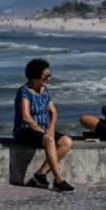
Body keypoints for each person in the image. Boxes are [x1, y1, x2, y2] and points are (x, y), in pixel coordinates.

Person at [14, 59, 75, 192]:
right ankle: (59, 179)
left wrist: (51, 128)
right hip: (26, 130)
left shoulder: (44, 91)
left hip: (44, 130)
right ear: (35, 77)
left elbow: (53, 112)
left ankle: (40, 174)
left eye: (49, 75)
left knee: (66, 142)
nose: (49, 79)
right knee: (48, 139)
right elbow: (26, 117)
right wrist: (41, 131)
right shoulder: (24, 92)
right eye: (45, 76)